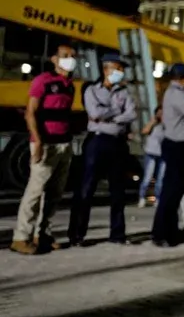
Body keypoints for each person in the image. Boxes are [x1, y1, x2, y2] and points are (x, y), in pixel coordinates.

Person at [11, 44, 77, 255]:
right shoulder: (43, 81)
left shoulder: (69, 85)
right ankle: (21, 237)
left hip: (63, 144)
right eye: (65, 56)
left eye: (73, 56)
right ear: (54, 59)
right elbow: (30, 112)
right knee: (35, 191)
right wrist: (38, 141)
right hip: (46, 143)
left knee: (55, 193)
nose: (70, 59)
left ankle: (42, 234)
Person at [69, 53, 137, 245]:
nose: (120, 72)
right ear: (106, 69)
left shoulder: (124, 92)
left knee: (118, 191)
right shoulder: (91, 90)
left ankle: (117, 234)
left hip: (117, 143)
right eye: (117, 68)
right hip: (97, 141)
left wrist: (108, 116)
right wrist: (117, 113)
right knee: (86, 188)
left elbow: (131, 114)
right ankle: (77, 234)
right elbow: (94, 112)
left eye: (121, 69)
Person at [151, 62, 184, 246]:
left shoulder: (171, 92)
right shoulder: (178, 94)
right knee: (171, 192)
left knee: (173, 192)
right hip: (178, 147)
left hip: (175, 146)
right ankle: (163, 232)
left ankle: (168, 231)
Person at [137, 106, 166, 208]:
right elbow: (144, 131)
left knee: (160, 178)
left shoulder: (167, 125)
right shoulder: (153, 123)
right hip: (151, 153)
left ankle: (158, 198)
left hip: (162, 154)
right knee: (148, 177)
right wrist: (153, 122)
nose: (161, 115)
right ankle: (142, 197)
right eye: (159, 113)